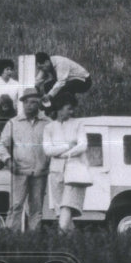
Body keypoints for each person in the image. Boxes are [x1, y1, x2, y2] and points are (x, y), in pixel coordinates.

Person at [0, 90, 51, 233]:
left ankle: (33, 241)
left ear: (39, 104)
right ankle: (12, 238)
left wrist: (49, 163)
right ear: (23, 104)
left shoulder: (48, 123)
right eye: (27, 102)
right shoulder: (13, 123)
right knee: (16, 205)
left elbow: (55, 144)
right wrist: (7, 160)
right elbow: (0, 145)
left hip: (40, 171)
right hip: (19, 170)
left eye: (34, 102)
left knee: (37, 207)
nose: (30, 106)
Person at [42, 95, 89, 234]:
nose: (71, 112)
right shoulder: (49, 127)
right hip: (56, 171)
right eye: (69, 108)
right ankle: (70, 238)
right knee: (59, 207)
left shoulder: (78, 124)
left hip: (74, 169)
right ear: (59, 109)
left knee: (67, 205)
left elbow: (83, 145)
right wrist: (67, 146)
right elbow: (47, 150)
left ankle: (60, 235)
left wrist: (66, 154)